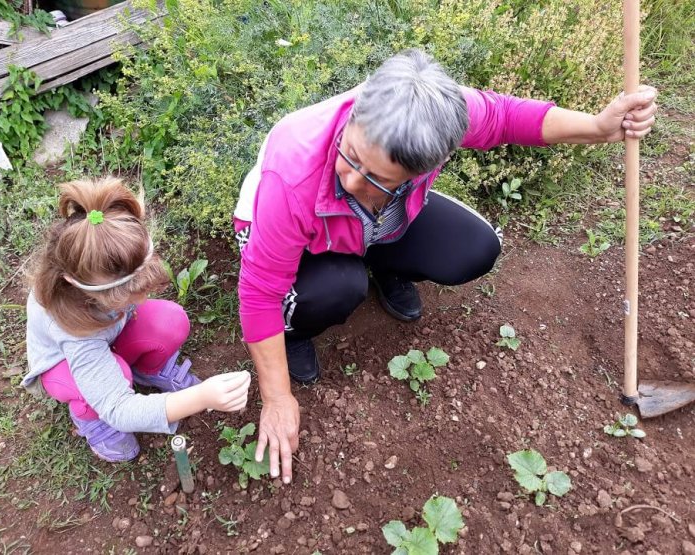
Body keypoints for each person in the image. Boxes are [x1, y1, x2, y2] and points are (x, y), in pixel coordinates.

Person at [233, 49, 657, 484]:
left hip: (376, 226)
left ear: (431, 162)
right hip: (295, 240)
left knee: (473, 247)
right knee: (339, 287)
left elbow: (508, 117)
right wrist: (278, 397)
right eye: (351, 155)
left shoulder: (434, 113)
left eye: (378, 178)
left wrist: (596, 126)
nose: (351, 180)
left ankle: (387, 265)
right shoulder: (293, 173)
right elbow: (260, 290)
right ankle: (297, 330)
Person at [23, 177, 251, 462]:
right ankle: (91, 419)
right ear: (74, 283)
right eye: (125, 296)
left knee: (170, 320)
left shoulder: (111, 260)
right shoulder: (72, 329)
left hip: (110, 334)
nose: (140, 301)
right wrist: (201, 397)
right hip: (64, 365)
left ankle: (148, 370)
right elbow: (120, 409)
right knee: (114, 379)